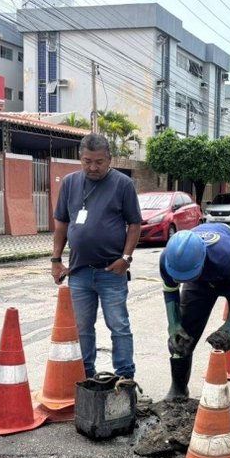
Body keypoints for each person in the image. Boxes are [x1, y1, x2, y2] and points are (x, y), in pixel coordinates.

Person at [51, 133, 142, 380]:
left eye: (99, 162)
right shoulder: (70, 183)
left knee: (119, 326)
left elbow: (134, 224)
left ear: (109, 159)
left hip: (111, 271)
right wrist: (56, 260)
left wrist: (126, 258)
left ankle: (125, 377)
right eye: (87, 161)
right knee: (82, 328)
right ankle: (87, 375)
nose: (93, 167)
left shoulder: (123, 184)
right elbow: (61, 223)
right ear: (80, 159)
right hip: (79, 272)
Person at [160, 223, 230, 407]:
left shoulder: (225, 257)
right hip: (200, 281)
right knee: (183, 334)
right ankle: (178, 389)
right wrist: (173, 325)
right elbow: (170, 290)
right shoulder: (168, 258)